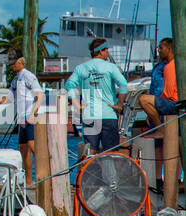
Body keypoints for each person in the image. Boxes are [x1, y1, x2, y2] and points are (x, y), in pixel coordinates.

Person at [0, 51, 44, 184]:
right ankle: (29, 181)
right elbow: (8, 98)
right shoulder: (16, 79)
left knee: (33, 146)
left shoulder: (28, 76)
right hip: (21, 119)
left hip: (30, 116)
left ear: (20, 62)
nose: (12, 66)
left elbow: (40, 95)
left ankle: (44, 178)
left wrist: (33, 113)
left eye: (13, 63)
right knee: (23, 149)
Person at [65, 37, 127, 154]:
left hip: (90, 115)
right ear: (100, 51)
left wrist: (76, 104)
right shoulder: (111, 67)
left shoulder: (81, 68)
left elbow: (69, 85)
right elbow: (123, 84)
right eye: (106, 49)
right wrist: (119, 105)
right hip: (108, 115)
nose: (108, 52)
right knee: (111, 153)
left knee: (91, 152)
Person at [137, 39, 180, 206]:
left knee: (143, 99)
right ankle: (164, 181)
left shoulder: (170, 66)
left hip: (173, 105)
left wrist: (154, 108)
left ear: (169, 49)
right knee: (174, 144)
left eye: (161, 48)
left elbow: (167, 94)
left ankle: (159, 129)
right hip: (173, 107)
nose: (158, 50)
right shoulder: (166, 66)